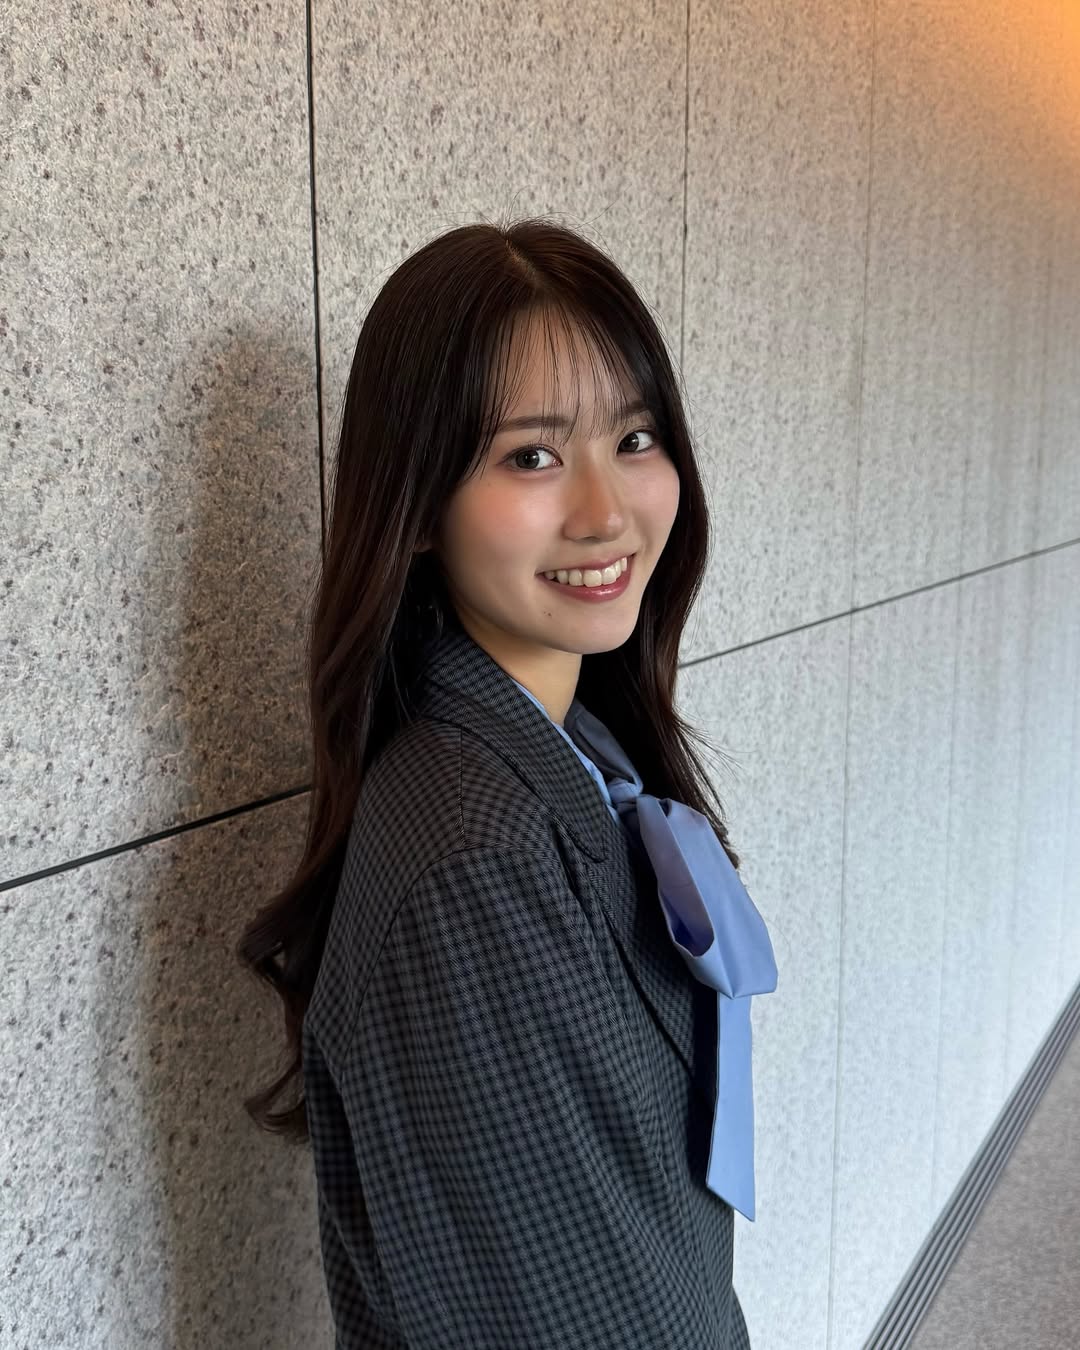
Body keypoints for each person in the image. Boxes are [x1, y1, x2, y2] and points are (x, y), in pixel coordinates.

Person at [236, 214, 776, 1348]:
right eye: (531, 456)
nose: (607, 511)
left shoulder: (581, 748)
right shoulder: (473, 864)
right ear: (416, 508)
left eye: (635, 438)